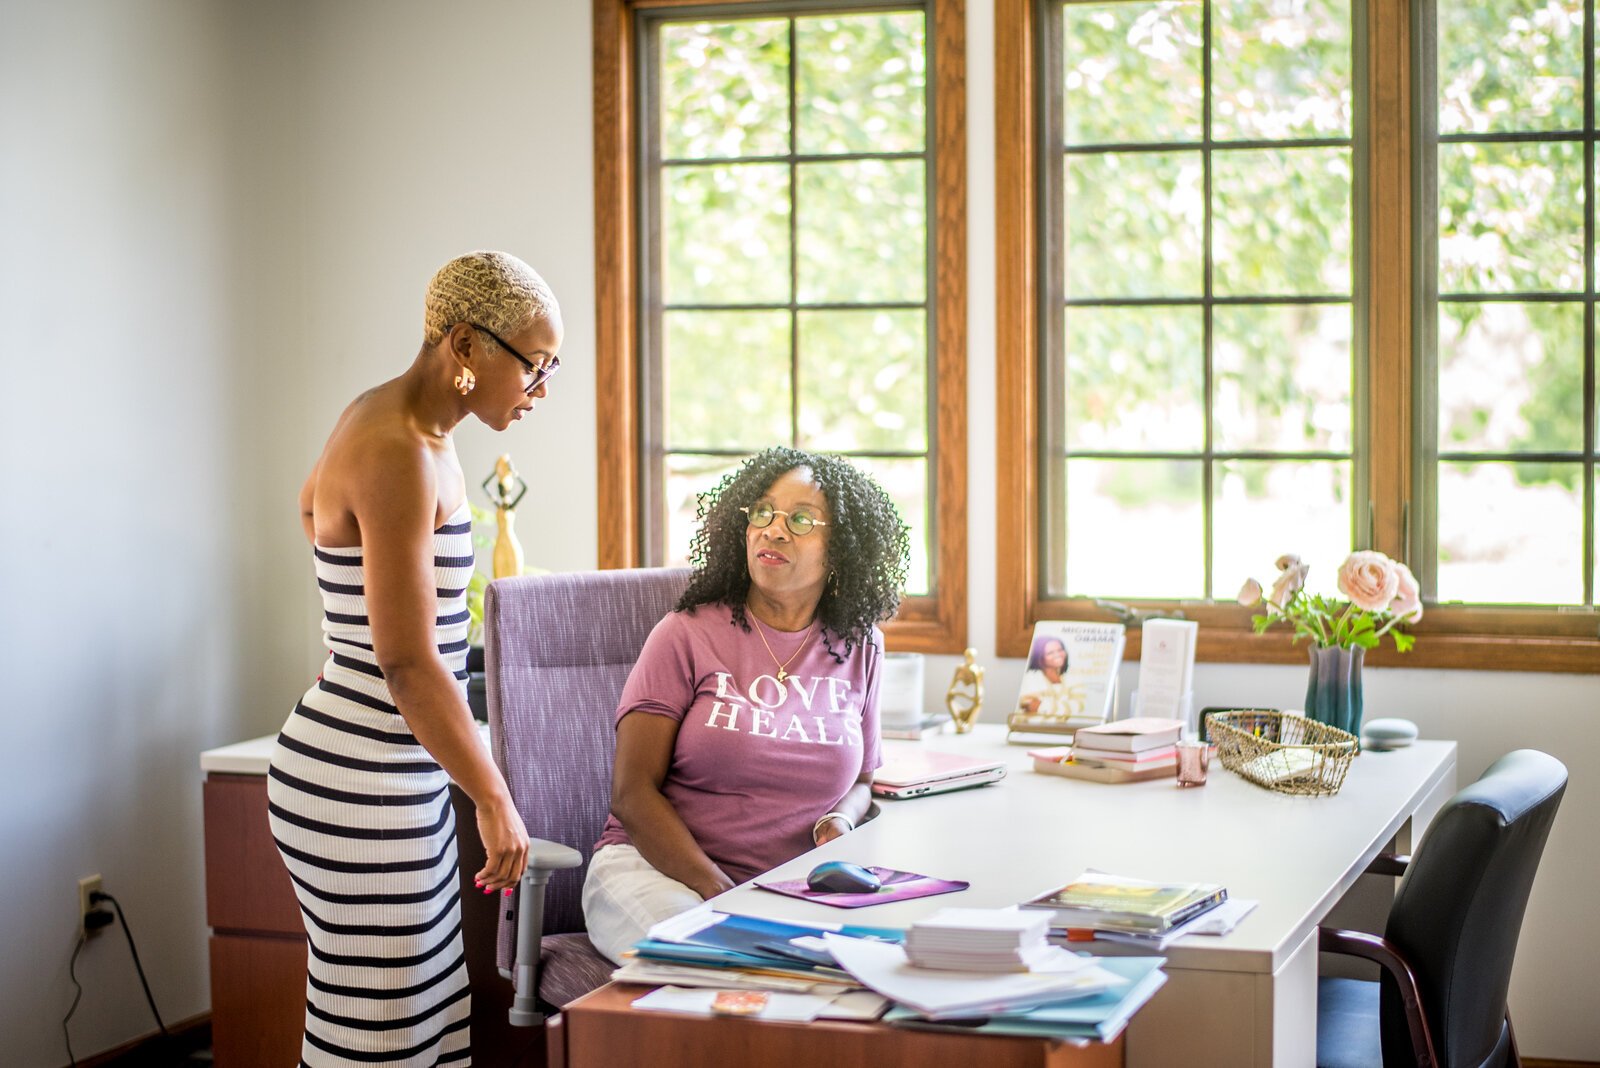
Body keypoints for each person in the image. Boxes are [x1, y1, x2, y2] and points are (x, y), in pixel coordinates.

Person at [268, 251, 561, 1065]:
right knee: (379, 1040)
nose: (541, 389)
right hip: (358, 788)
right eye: (533, 364)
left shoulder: (403, 424)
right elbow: (408, 663)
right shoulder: (397, 447)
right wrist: (494, 798)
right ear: (466, 346)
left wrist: (348, 647)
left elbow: (311, 510)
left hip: (391, 772)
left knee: (421, 1025)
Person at [582, 447, 911, 964]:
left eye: (800, 519)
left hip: (785, 890)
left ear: (842, 548)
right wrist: (717, 889)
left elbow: (863, 780)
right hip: (655, 873)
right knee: (721, 964)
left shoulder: (859, 644)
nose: (773, 531)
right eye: (762, 513)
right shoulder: (685, 634)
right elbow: (631, 793)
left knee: (885, 962)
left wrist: (839, 824)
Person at [1017, 634, 1081, 718]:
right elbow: (1030, 704)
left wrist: (1042, 706)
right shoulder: (1032, 678)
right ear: (1040, 657)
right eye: (1050, 653)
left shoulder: (1071, 679)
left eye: (1060, 650)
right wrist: (1065, 707)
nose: (1057, 655)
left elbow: (1079, 707)